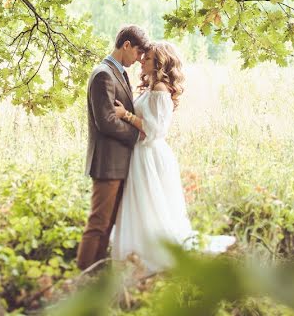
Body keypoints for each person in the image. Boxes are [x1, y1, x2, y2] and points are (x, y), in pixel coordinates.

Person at [111, 41, 235, 273]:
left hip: (150, 155)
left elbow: (156, 129)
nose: (142, 61)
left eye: (147, 58)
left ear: (159, 63)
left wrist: (125, 115)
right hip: (140, 153)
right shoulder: (151, 88)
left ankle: (155, 253)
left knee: (152, 203)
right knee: (143, 204)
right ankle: (138, 250)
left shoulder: (159, 90)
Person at [76, 25, 151, 271]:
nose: (139, 59)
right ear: (126, 45)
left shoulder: (118, 73)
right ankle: (83, 275)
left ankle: (95, 272)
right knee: (98, 223)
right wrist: (136, 133)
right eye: (138, 52)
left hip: (119, 163)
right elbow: (106, 122)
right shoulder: (103, 75)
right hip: (108, 162)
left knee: (107, 224)